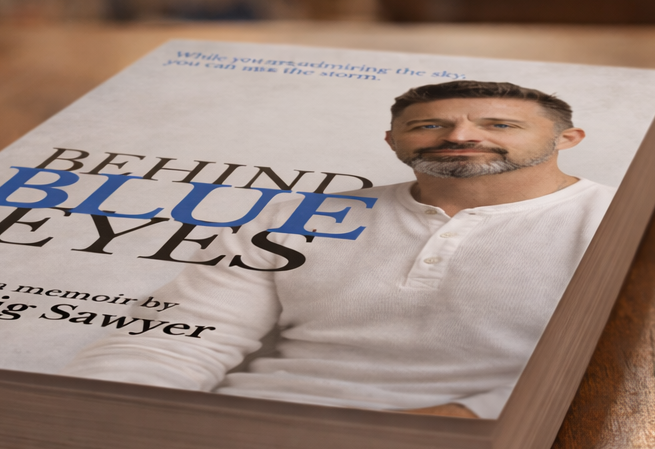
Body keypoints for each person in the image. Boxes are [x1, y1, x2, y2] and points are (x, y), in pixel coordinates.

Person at [60, 80, 615, 419]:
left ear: (567, 139)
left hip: (459, 444)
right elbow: (175, 336)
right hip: (242, 427)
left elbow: (611, 375)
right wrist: (115, 415)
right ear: (393, 141)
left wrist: (454, 425)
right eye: (429, 124)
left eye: (499, 124)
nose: (460, 136)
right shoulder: (295, 214)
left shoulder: (612, 221)